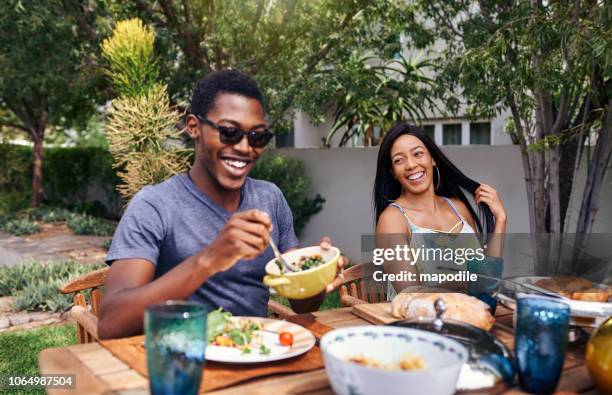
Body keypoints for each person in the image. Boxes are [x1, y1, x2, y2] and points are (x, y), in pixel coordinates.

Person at [98, 70, 344, 340]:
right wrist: (210, 259)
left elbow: (301, 304)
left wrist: (318, 274)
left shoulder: (269, 199)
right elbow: (111, 322)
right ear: (194, 127)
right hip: (182, 361)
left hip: (254, 354)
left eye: (257, 136)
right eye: (229, 132)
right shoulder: (155, 206)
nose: (244, 147)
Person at [373, 122, 506, 297]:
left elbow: (488, 280)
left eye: (418, 154)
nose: (411, 165)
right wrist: (470, 281)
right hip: (418, 322)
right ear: (393, 172)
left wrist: (501, 220)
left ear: (432, 158)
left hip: (470, 317)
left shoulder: (458, 208)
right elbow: (411, 294)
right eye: (399, 160)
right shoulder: (392, 220)